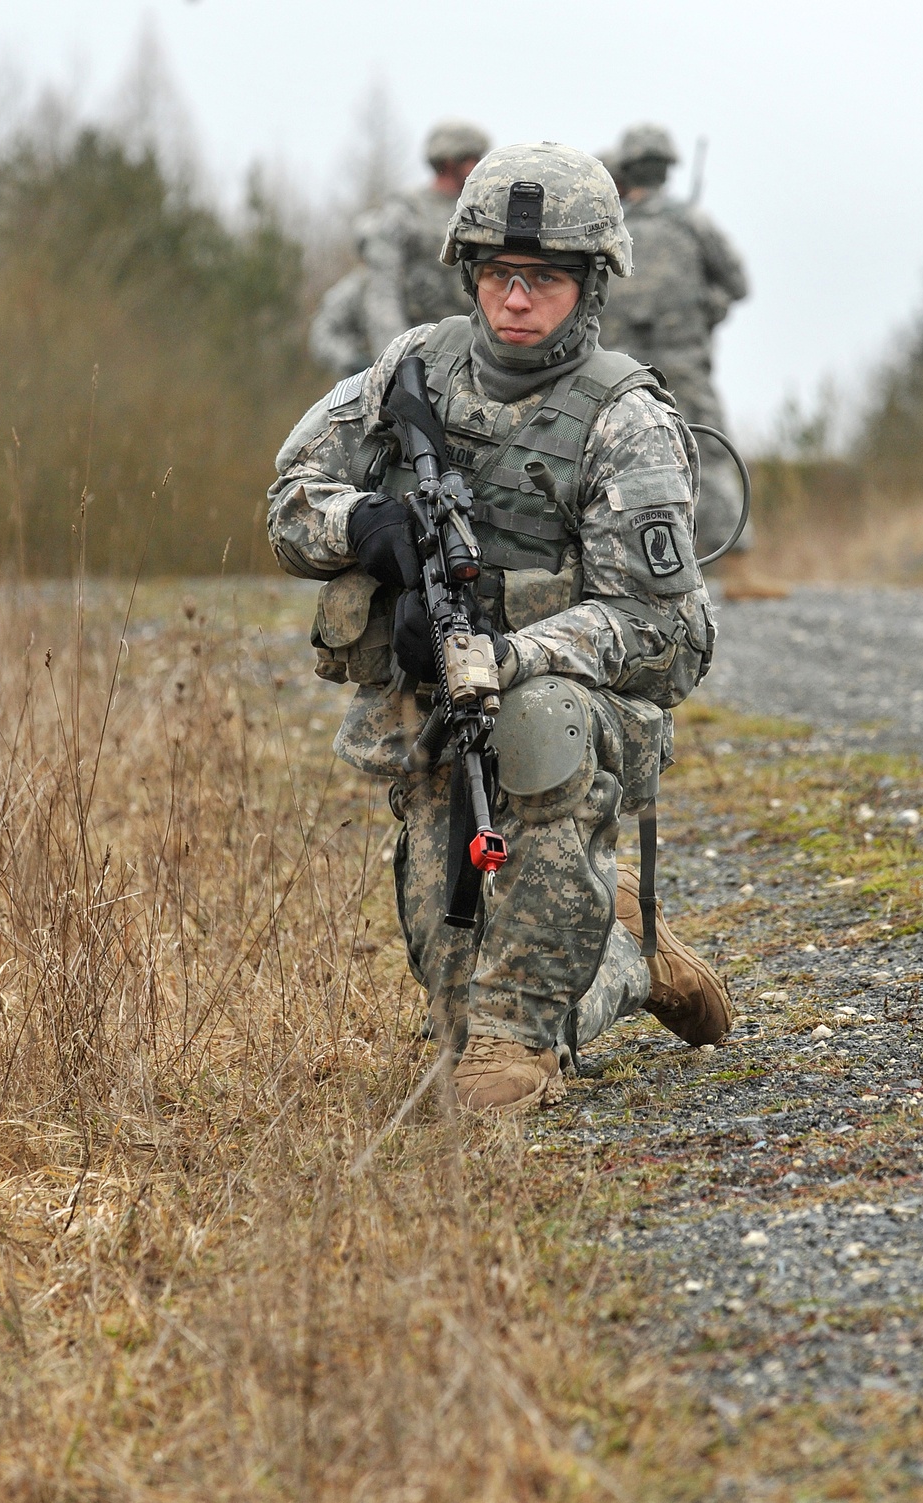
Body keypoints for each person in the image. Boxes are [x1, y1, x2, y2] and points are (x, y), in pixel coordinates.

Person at [268, 142, 731, 1114]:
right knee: (453, 1004)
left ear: (590, 282)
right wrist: (366, 525)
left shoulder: (627, 420)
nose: (516, 299)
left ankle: (547, 1016)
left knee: (493, 1065)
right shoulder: (413, 369)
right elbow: (289, 496)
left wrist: (515, 655)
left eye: (546, 279)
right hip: (434, 710)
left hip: (579, 713)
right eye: (498, 275)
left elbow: (655, 624)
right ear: (470, 271)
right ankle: (624, 949)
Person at [597, 123, 788, 600]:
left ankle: (625, 571)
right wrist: (707, 308)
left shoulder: (607, 227)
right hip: (683, 362)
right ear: (668, 168)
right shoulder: (691, 222)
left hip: (618, 370)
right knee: (714, 454)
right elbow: (738, 284)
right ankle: (738, 569)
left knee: (617, 458)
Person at [359, 119, 491, 358]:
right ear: (451, 161)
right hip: (419, 346)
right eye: (474, 158)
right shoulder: (405, 212)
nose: (480, 166)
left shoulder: (480, 210)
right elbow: (383, 293)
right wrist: (399, 359)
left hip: (472, 347)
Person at [308, 211, 377, 378]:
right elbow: (322, 335)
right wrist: (352, 360)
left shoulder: (410, 286)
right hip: (367, 383)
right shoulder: (351, 291)